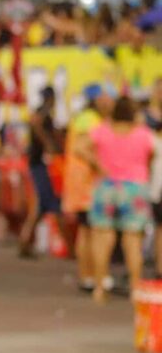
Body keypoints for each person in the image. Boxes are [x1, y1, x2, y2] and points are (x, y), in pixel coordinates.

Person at [80, 96, 154, 304]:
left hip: (106, 186)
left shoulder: (103, 130)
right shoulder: (142, 133)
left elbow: (80, 147)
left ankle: (99, 288)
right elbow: (152, 153)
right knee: (133, 241)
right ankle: (135, 289)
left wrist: (97, 163)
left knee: (103, 239)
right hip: (135, 188)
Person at [63, 84, 115, 293]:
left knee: (86, 230)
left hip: (81, 182)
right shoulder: (89, 119)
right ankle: (92, 275)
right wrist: (101, 167)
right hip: (86, 183)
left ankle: (88, 276)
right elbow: (81, 148)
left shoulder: (85, 117)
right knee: (92, 231)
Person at [20, 87, 63, 258]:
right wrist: (48, 144)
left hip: (38, 162)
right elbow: (36, 124)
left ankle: (25, 242)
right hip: (40, 163)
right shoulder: (43, 111)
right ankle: (25, 242)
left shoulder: (44, 113)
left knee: (43, 207)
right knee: (44, 205)